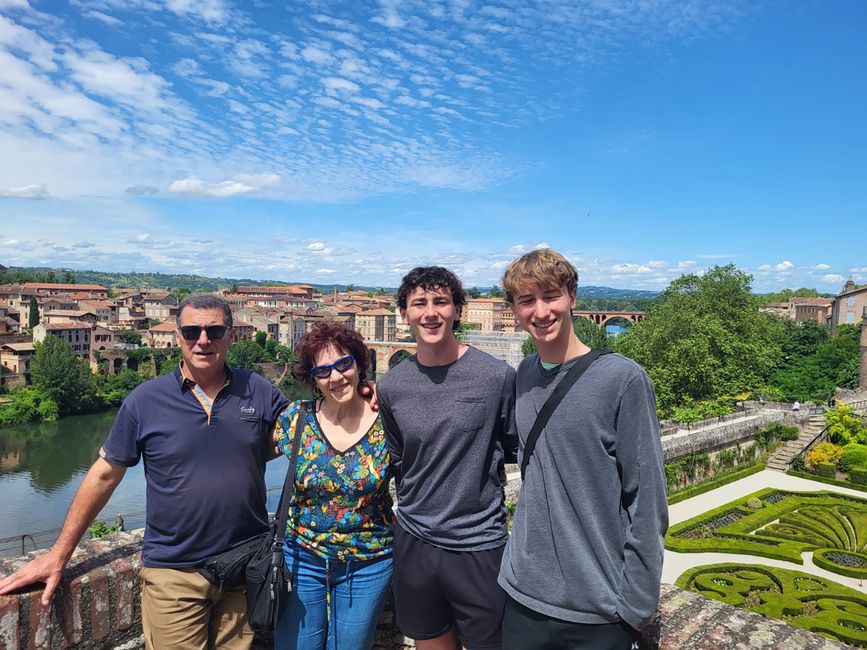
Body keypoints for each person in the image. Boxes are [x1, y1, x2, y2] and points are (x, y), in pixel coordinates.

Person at [0, 294, 289, 650]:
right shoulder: (145, 400)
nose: (203, 340)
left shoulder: (257, 389)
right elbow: (104, 475)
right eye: (192, 330)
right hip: (175, 574)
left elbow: (307, 432)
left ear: (231, 336)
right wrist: (59, 553)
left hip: (244, 569)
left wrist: (362, 397)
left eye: (214, 330)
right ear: (178, 337)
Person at [498, 249, 668, 650]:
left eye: (550, 296)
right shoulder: (524, 374)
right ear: (515, 310)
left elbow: (647, 499)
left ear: (573, 297)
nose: (540, 311)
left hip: (597, 611)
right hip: (522, 597)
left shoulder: (623, 380)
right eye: (527, 300)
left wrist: (636, 608)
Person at [377, 266, 517, 650]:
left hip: (479, 544)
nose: (430, 312)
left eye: (441, 301)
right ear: (404, 314)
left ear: (458, 310)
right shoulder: (391, 386)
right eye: (419, 303)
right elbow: (400, 459)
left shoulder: (496, 377)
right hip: (415, 542)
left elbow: (514, 447)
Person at [273, 322, 394, 650]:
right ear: (313, 379)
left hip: (368, 561)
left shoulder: (388, 421)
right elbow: (246, 457)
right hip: (301, 559)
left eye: (343, 364)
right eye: (323, 370)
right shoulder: (296, 419)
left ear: (358, 363)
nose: (337, 377)